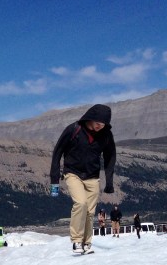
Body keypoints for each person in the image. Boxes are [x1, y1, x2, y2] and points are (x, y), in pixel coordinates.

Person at [50, 104, 117, 253]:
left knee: (90, 212)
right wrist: (54, 181)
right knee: (80, 203)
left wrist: (109, 182)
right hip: (73, 173)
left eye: (104, 124)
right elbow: (57, 152)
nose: (101, 127)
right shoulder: (74, 129)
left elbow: (110, 156)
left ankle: (87, 243)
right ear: (91, 119)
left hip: (93, 177)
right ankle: (76, 241)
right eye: (99, 123)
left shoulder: (106, 134)